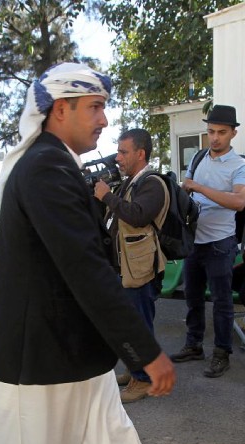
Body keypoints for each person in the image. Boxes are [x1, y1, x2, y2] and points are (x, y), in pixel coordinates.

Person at [0, 62, 202, 444]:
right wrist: (145, 351)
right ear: (59, 110)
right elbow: (84, 266)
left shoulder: (53, 165)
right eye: (95, 107)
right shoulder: (43, 167)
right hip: (36, 353)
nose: (105, 120)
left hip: (76, 347)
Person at [170, 104, 245, 378]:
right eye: (210, 132)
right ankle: (194, 345)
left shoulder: (241, 166)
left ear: (233, 133)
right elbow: (187, 192)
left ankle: (221, 352)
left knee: (221, 301)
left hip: (221, 243)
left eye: (221, 132)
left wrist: (200, 188)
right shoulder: (199, 157)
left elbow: (239, 201)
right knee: (192, 297)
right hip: (195, 241)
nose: (215, 138)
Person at [93, 128, 169, 403]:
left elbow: (137, 216)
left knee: (139, 325)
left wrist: (106, 196)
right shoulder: (130, 183)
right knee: (126, 325)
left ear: (141, 153)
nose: (118, 157)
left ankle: (144, 380)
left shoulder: (153, 183)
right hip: (123, 268)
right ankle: (135, 370)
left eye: (123, 152)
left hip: (139, 270)